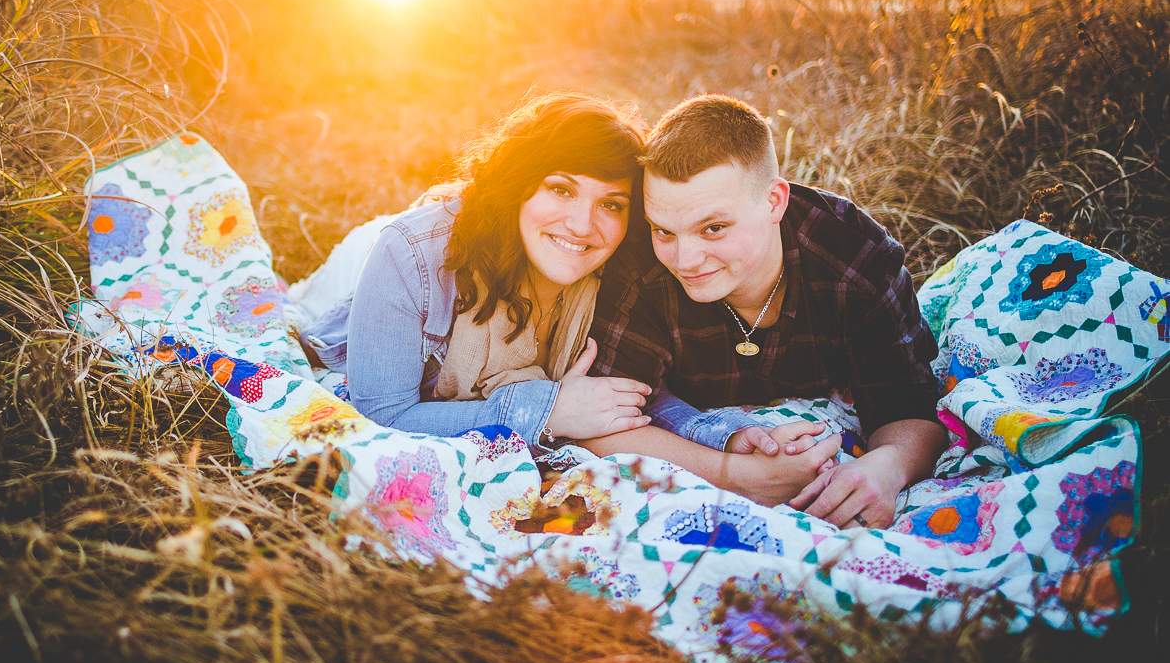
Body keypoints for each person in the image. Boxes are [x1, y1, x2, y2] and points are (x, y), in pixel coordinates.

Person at [584, 94, 948, 528]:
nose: (685, 259)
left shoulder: (855, 258)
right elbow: (602, 423)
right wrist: (734, 477)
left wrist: (886, 468)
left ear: (775, 201)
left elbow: (910, 407)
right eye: (665, 231)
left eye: (713, 228)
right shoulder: (639, 263)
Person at [302, 92, 654, 450]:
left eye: (611, 204)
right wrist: (545, 413)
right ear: (520, 183)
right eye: (561, 189)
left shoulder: (617, 263)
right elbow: (382, 418)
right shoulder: (409, 253)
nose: (582, 225)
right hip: (378, 256)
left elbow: (642, 397)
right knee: (303, 298)